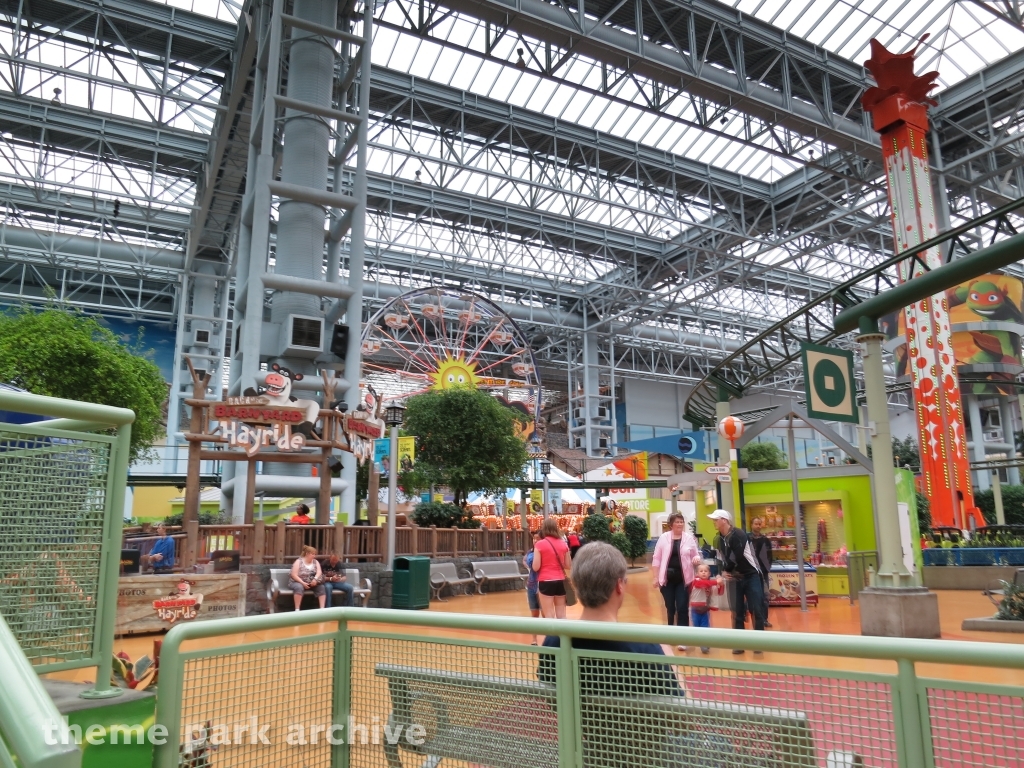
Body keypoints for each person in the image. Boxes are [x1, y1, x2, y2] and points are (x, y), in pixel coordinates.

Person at [538, 542, 683, 697]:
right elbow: (679, 713)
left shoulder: (555, 643)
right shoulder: (645, 648)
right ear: (619, 585)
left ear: (575, 585)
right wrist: (671, 662)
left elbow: (553, 699)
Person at [709, 509, 766, 653]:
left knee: (756, 609)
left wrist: (725, 571)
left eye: (716, 519)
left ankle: (759, 643)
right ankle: (739, 644)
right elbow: (720, 558)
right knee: (737, 611)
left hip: (751, 575)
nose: (714, 522)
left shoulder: (739, 534)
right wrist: (722, 572)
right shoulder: (718, 539)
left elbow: (736, 557)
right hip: (734, 577)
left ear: (725, 520)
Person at [651, 512, 702, 643]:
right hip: (666, 580)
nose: (680, 524)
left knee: (682, 607)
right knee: (670, 608)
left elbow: (695, 555)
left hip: (684, 580)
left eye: (681, 522)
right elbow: (656, 558)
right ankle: (671, 633)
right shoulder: (663, 538)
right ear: (671, 525)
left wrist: (696, 559)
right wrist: (655, 577)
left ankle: (683, 638)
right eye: (677, 522)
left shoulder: (689, 538)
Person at [532, 517, 572, 619]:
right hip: (561, 580)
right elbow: (568, 565)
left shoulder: (540, 544)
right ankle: (562, 634)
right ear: (556, 528)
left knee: (549, 613)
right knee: (561, 613)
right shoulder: (563, 544)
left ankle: (551, 635)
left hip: (546, 580)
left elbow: (535, 567)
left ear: (544, 529)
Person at [689, 563, 721, 654]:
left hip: (705, 610)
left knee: (705, 627)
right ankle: (702, 642)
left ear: (709, 573)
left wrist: (721, 584)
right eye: (701, 571)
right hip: (695, 610)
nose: (703, 573)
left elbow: (719, 591)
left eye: (705, 571)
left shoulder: (710, 583)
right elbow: (702, 584)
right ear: (697, 573)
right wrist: (716, 581)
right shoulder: (696, 581)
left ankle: (704, 644)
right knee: (697, 628)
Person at [749, 516, 774, 628]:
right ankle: (756, 619)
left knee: (765, 596)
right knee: (754, 596)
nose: (758, 526)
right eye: (756, 524)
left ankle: (764, 619)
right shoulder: (747, 539)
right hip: (751, 572)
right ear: (751, 525)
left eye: (760, 524)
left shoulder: (765, 540)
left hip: (763, 572)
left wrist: (767, 568)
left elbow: (770, 555)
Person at [289, 545, 326, 610]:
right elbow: (293, 575)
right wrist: (302, 583)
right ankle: (297, 609)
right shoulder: (298, 561)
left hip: (311, 581)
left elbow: (319, 572)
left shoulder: (315, 561)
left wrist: (315, 579)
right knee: (299, 587)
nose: (314, 556)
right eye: (312, 554)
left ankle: (322, 608)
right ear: (307, 554)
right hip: (298, 581)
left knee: (321, 587)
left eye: (315, 554)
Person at [524, 530, 542, 644]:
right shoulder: (531, 552)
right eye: (534, 538)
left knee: (546, 613)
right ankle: (534, 639)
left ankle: (548, 638)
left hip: (542, 584)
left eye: (538, 538)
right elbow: (526, 560)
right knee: (534, 613)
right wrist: (527, 567)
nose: (535, 540)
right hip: (531, 584)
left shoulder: (542, 552)